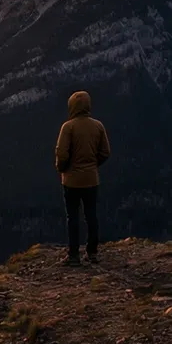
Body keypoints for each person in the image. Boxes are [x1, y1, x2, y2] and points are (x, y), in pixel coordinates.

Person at [54, 90, 111, 265]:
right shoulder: (98, 126)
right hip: (91, 180)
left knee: (73, 217)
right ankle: (92, 253)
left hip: (71, 181)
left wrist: (62, 169)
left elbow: (62, 154)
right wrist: (92, 165)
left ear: (71, 106)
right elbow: (105, 152)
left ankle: (73, 256)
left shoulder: (68, 127)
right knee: (91, 215)